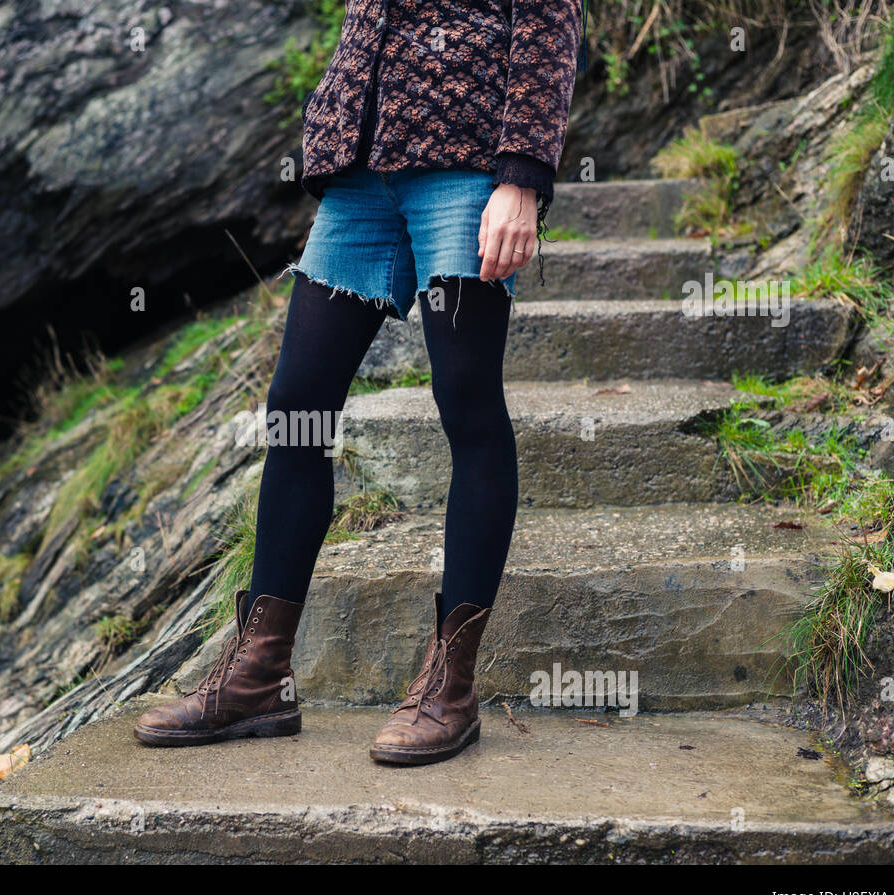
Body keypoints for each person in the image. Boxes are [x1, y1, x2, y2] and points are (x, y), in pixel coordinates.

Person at [135, 0, 584, 765]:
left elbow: (548, 17)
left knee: (466, 404)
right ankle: (259, 673)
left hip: (465, 164)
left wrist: (523, 177)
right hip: (362, 173)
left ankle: (450, 684)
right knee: (297, 408)